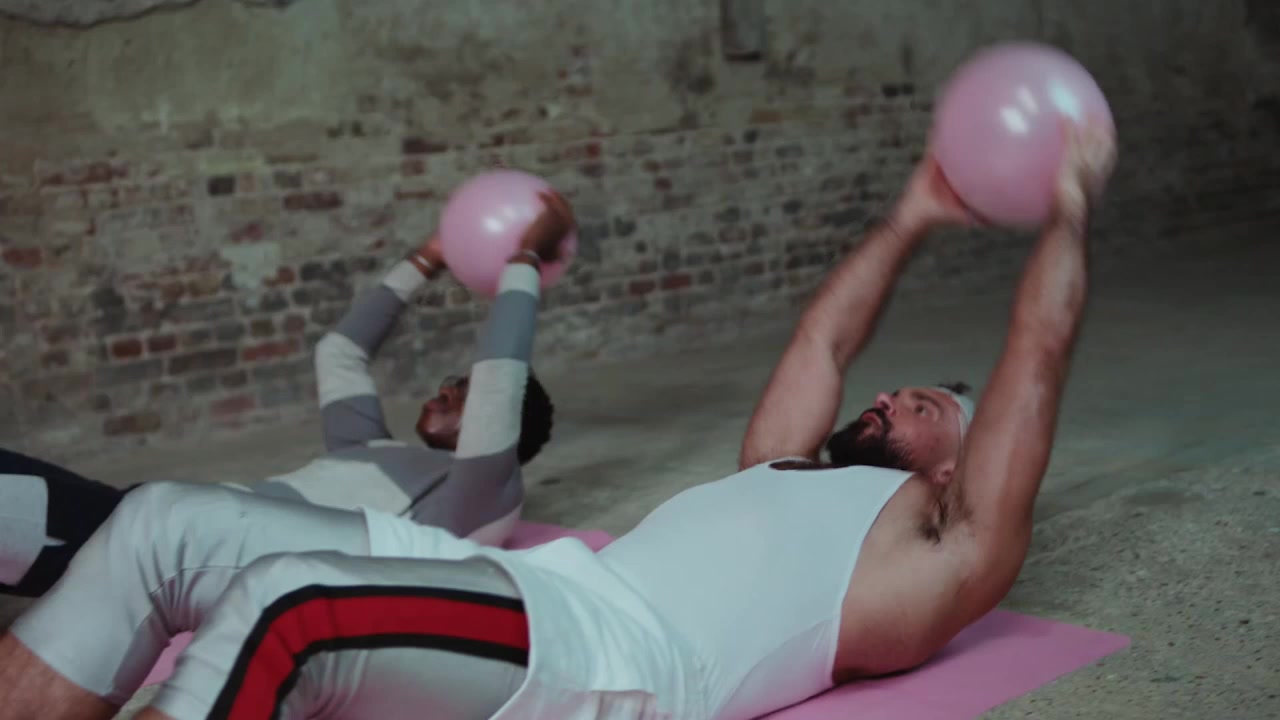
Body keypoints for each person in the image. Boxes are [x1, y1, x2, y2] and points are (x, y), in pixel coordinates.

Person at [0, 118, 1116, 720]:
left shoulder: (946, 553)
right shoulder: (778, 467)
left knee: (289, 608)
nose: (885, 399)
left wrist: (1064, 213)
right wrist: (911, 215)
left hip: (615, 662)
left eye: (921, 407)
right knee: (159, 523)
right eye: (892, 390)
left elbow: (1035, 360)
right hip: (532, 589)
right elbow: (824, 342)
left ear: (959, 467)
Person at [0, 193, 571, 599]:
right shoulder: (371, 450)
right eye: (451, 381)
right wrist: (425, 259)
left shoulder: (479, 499)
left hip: (183, 555)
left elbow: (500, 380)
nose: (444, 389)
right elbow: (339, 353)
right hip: (159, 515)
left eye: (462, 391)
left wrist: (524, 259)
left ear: (502, 428)